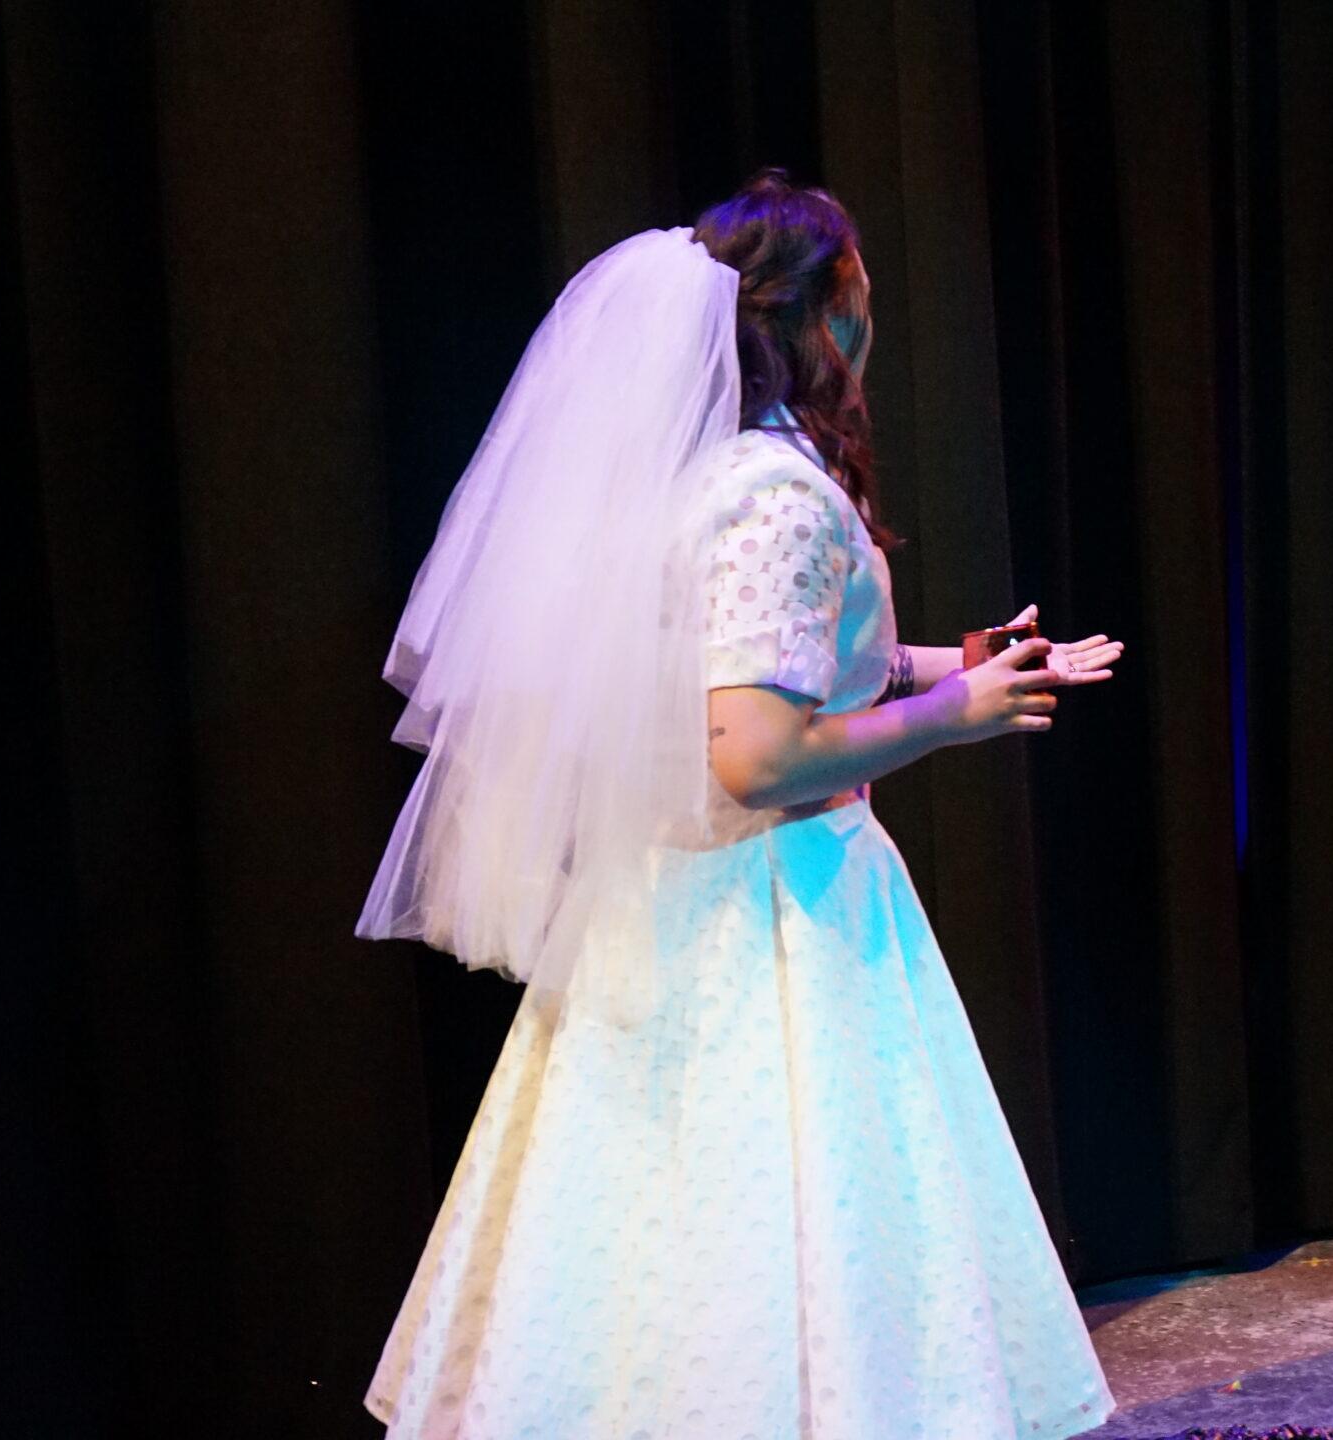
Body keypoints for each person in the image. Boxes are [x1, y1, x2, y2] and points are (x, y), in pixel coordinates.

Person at [357, 170, 1121, 1438]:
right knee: (772, 1221)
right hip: (770, 914)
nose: (872, 311)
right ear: (821, 311)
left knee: (654, 1239)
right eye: (859, 284)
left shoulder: (700, 477)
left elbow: (775, 664)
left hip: (667, 905)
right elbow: (755, 753)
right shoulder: (773, 493)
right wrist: (953, 716)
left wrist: (961, 661)